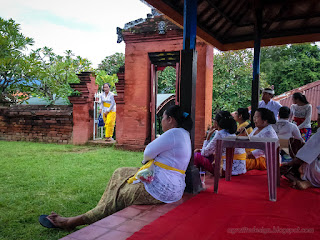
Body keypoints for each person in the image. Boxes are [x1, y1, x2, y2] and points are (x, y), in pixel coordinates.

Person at [39, 105, 193, 230]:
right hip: (174, 188)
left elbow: (148, 152)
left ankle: (71, 222)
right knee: (120, 172)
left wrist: (147, 160)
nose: (162, 122)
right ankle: (98, 209)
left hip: (163, 190)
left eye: (163, 118)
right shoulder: (183, 134)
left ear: (171, 120)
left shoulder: (173, 133)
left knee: (121, 193)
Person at [194, 111, 246, 176]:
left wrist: (208, 137)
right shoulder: (231, 132)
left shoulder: (220, 134)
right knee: (208, 154)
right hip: (241, 169)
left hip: (225, 170)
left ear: (216, 122)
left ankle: (197, 176)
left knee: (196, 155)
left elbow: (204, 153)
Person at [282, 105, 320, 190]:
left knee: (298, 165)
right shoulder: (293, 126)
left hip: (283, 152)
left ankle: (309, 182)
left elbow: (302, 157)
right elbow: (300, 139)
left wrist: (289, 164)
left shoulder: (318, 135)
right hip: (285, 151)